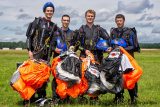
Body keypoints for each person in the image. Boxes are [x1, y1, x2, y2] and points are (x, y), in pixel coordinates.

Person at [26, 1, 61, 105]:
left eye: (51, 11)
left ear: (53, 12)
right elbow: (29, 36)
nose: (49, 12)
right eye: (48, 10)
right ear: (44, 11)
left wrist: (54, 49)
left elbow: (54, 42)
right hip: (36, 52)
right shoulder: (37, 22)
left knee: (43, 77)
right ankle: (29, 98)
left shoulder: (54, 26)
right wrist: (29, 51)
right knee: (32, 76)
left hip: (46, 55)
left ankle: (41, 97)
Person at [110, 14, 139, 104]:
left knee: (130, 78)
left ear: (123, 21)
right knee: (117, 78)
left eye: (120, 20)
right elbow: (111, 45)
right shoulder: (113, 32)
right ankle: (119, 97)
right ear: (115, 21)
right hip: (116, 59)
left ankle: (133, 99)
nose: (119, 22)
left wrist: (123, 49)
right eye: (117, 21)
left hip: (128, 59)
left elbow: (135, 46)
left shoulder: (130, 32)